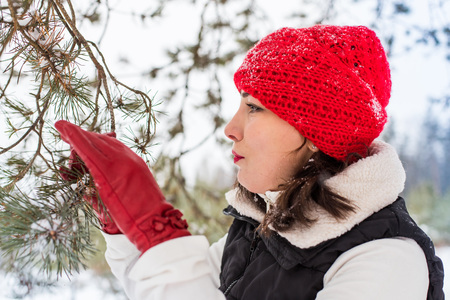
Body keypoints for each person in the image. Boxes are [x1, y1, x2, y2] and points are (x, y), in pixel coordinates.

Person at [56, 25, 445, 299]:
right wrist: (127, 232)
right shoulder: (259, 230)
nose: (230, 128)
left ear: (314, 129)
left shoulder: (387, 259)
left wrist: (160, 232)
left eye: (254, 108)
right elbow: (170, 289)